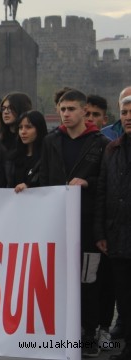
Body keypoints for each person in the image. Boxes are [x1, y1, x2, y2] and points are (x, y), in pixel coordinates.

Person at [39, 89, 109, 357]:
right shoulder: (51, 141)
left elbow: (105, 185)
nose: (65, 114)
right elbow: (45, 178)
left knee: (88, 280)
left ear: (83, 111)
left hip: (88, 224)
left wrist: (87, 183)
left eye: (71, 109)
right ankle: (63, 331)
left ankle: (88, 333)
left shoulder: (100, 143)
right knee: (59, 279)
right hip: (59, 222)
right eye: (62, 109)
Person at [95, 95, 131, 360]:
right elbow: (103, 192)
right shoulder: (112, 149)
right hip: (118, 235)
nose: (128, 116)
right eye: (125, 112)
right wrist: (101, 233)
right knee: (125, 297)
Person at [6, 110, 48, 192]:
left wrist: (29, 186)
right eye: (20, 127)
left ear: (39, 129)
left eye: (28, 127)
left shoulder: (47, 157)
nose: (23, 132)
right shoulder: (12, 158)